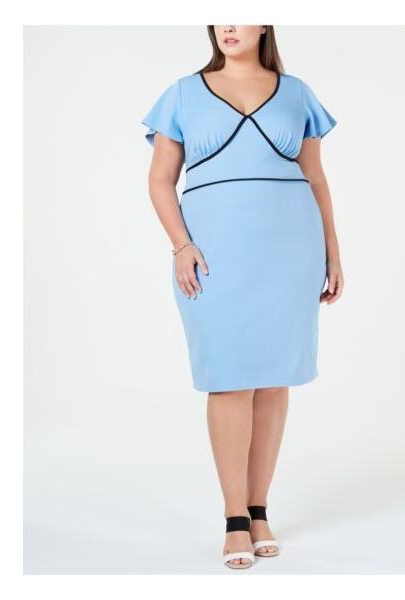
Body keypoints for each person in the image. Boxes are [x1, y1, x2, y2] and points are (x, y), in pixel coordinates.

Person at [141, 25, 343, 569]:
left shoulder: (296, 92)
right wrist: (181, 245)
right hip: (214, 252)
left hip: (291, 248)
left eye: (241, 14)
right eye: (220, 16)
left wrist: (332, 252)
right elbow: (160, 180)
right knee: (228, 377)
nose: (228, 25)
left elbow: (316, 176)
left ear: (264, 23)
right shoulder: (182, 93)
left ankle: (258, 509)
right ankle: (234, 517)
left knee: (274, 378)